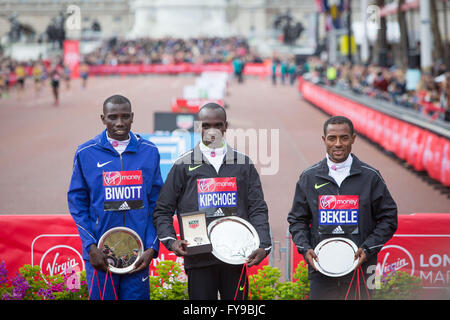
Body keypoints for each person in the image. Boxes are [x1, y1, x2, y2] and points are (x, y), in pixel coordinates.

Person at [153, 103, 272, 300]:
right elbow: (162, 210)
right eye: (206, 126)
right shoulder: (183, 165)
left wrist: (264, 244)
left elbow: (258, 208)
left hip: (235, 257)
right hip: (199, 259)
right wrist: (171, 241)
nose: (212, 132)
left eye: (217, 125)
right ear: (198, 127)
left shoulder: (243, 164)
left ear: (226, 126)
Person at [287, 116, 398, 300]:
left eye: (344, 138)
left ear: (353, 138)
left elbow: (389, 218)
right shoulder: (309, 177)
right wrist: (305, 248)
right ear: (324, 140)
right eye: (332, 138)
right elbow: (297, 220)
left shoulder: (371, 177)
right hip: (321, 269)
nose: (338, 144)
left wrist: (368, 248)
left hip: (362, 268)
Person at [68, 94, 163, 300]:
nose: (119, 123)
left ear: (132, 117)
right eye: (113, 117)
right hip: (100, 255)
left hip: (137, 254)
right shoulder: (86, 152)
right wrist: (90, 246)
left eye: (125, 116)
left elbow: (158, 204)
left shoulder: (149, 151)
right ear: (103, 118)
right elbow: (77, 203)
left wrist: (151, 247)